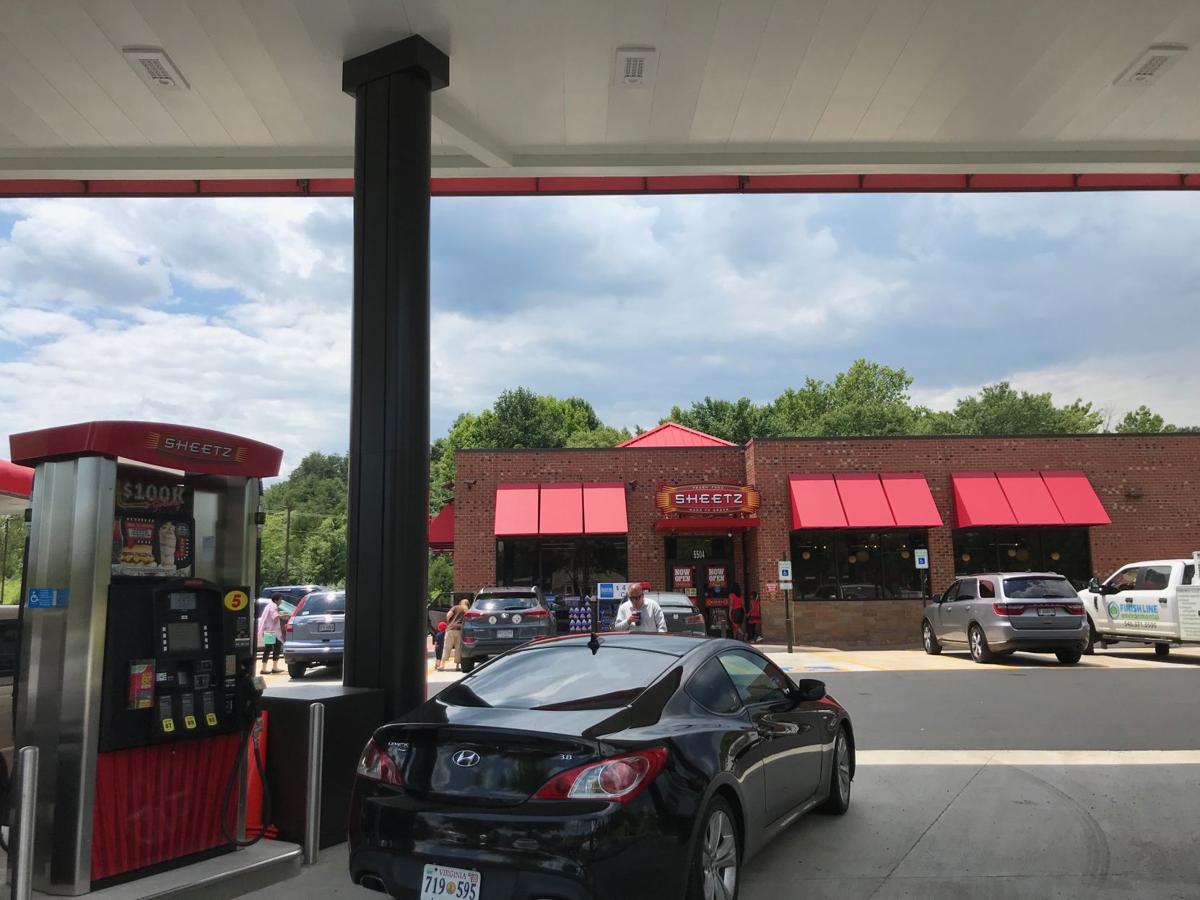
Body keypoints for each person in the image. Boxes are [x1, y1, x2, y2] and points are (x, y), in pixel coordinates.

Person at [258, 592, 286, 674]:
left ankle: (269, 668)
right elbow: (275, 616)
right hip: (271, 631)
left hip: (269, 631)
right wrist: (284, 616)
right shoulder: (273, 606)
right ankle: (269, 668)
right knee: (274, 648)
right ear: (276, 600)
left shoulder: (269, 605)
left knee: (270, 648)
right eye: (280, 600)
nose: (281, 601)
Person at [443, 597, 469, 670]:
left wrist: (449, 623)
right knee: (458, 648)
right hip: (461, 630)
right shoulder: (467, 610)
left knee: (447, 647)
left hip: (451, 629)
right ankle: (457, 666)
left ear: (460, 602)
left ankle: (442, 665)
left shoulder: (455, 607)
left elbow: (448, 615)